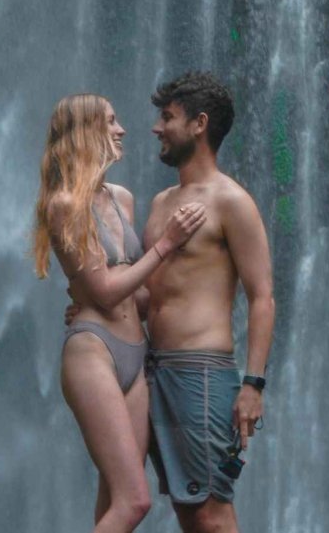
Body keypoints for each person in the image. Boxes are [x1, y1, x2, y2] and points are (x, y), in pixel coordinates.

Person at [33, 93, 207, 533]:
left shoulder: (122, 199)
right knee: (135, 501)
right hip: (95, 354)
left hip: (136, 352)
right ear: (85, 132)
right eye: (110, 121)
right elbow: (108, 292)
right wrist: (167, 244)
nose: (122, 129)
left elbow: (136, 294)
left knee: (114, 498)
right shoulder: (64, 205)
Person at [140, 71, 276, 533]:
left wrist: (253, 386)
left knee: (212, 515)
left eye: (168, 117)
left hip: (201, 373)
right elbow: (152, 291)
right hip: (154, 367)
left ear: (199, 124)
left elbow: (262, 297)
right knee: (188, 510)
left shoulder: (231, 201)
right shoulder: (161, 203)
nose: (158, 128)